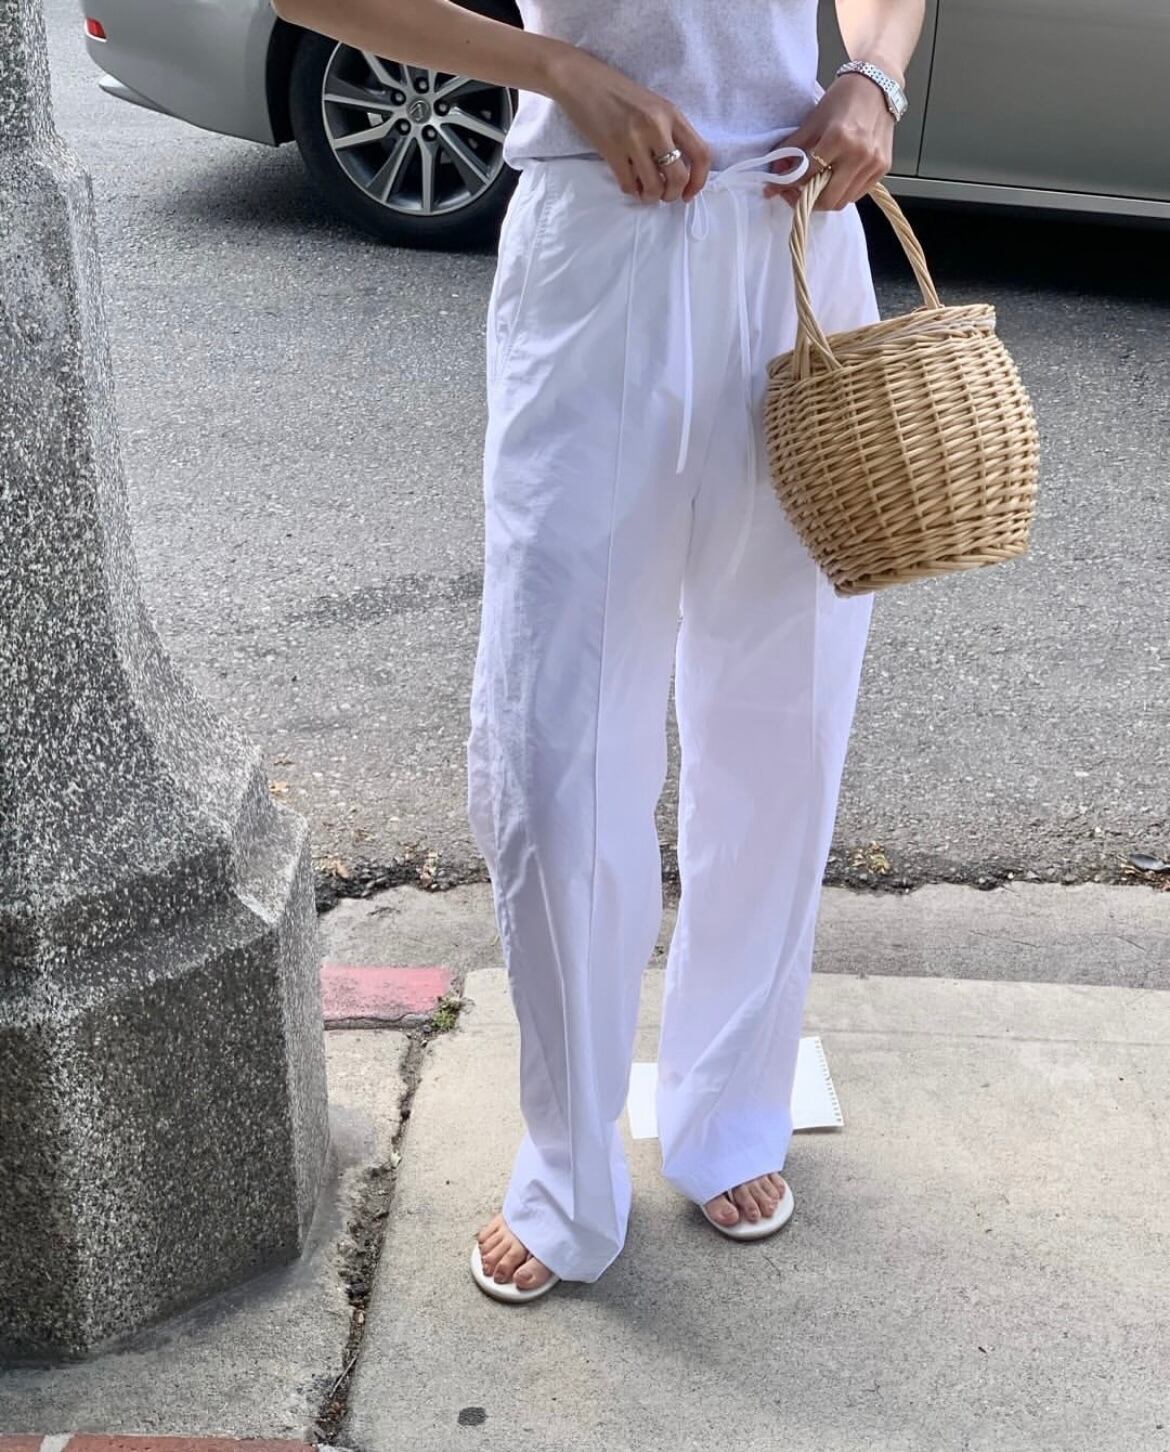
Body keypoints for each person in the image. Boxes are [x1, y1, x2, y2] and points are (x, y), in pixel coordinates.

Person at [273, 0, 925, 1302]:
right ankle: (570, 1163)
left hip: (797, 235)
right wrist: (557, 69)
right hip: (597, 234)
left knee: (785, 720)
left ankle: (727, 1109)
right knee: (554, 741)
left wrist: (871, 76)